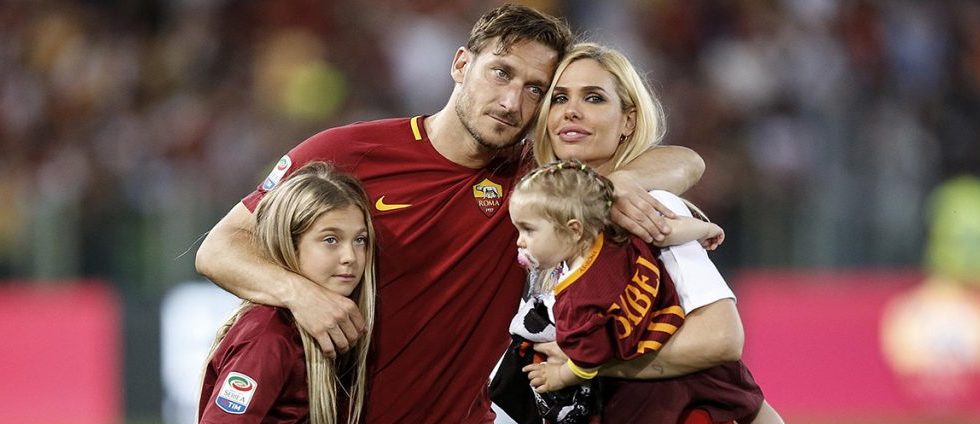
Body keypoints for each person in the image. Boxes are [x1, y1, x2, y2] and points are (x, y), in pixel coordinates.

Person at [195, 5, 706, 422]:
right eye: (501, 73)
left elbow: (685, 161)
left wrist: (613, 185)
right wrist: (300, 294)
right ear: (461, 65)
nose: (511, 101)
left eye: (535, 89)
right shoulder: (349, 152)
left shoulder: (537, 184)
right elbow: (219, 248)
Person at [518, 42, 784, 423]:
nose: (571, 110)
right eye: (559, 98)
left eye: (593, 98)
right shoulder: (543, 224)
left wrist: (587, 363)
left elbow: (721, 338)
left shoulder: (646, 208)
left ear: (628, 121)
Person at [198, 161, 375, 424]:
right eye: (331, 240)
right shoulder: (269, 334)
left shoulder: (336, 329)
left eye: (360, 240)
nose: (350, 256)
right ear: (290, 245)